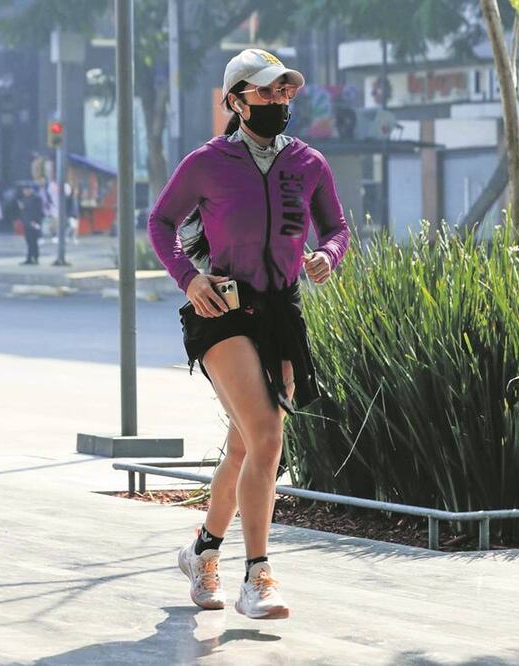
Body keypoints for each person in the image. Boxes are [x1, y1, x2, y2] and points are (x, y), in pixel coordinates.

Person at [148, 48, 349, 620]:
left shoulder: (309, 163)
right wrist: (188, 278)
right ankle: (257, 575)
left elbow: (337, 226)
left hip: (282, 313)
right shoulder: (207, 163)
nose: (277, 101)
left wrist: (327, 255)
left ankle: (202, 550)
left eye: (284, 91)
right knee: (265, 437)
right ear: (234, 101)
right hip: (223, 311)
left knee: (245, 445)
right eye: (264, 93)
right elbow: (160, 221)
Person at [18, 182, 43, 265]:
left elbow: (38, 212)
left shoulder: (36, 199)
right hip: (26, 222)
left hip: (34, 222)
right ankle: (29, 258)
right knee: (28, 241)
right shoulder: (24, 199)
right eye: (24, 190)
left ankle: (35, 258)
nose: (25, 192)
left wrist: (35, 222)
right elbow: (23, 211)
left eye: (27, 190)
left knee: (34, 241)